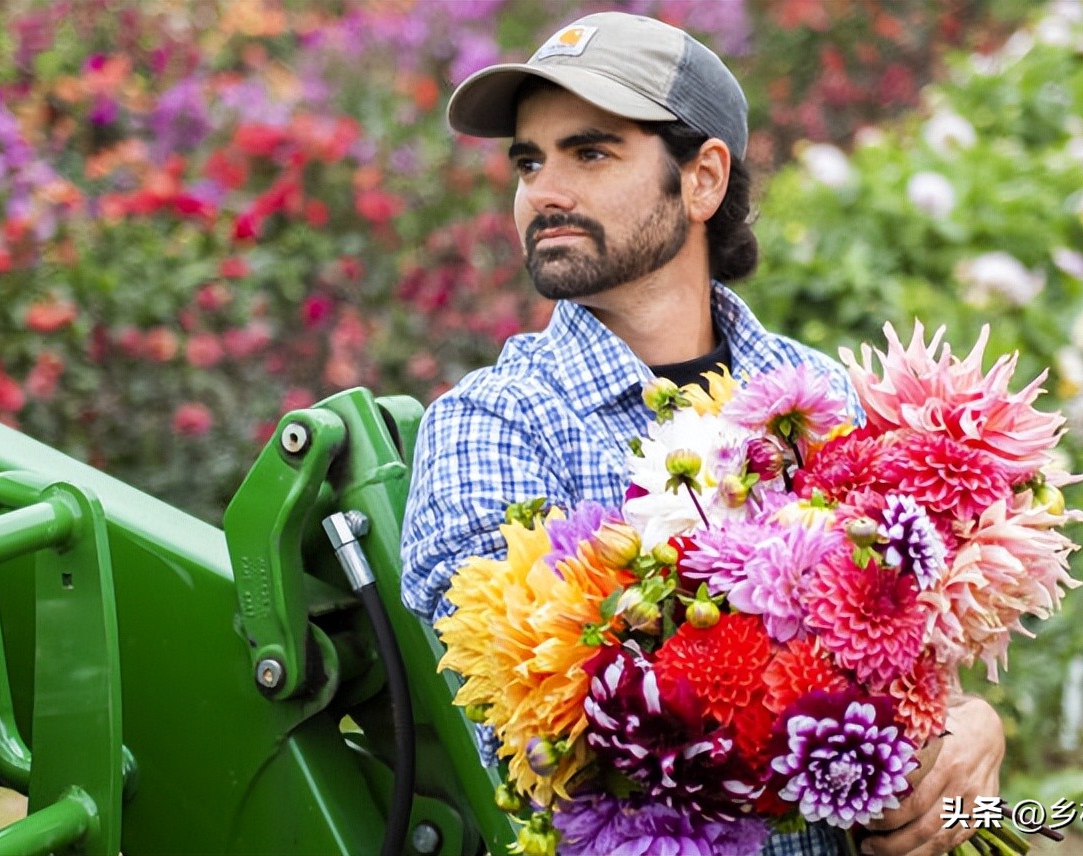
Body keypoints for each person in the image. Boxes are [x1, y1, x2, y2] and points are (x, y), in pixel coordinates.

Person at [401, 12, 1004, 856]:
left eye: (591, 152)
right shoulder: (490, 426)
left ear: (702, 180)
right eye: (529, 161)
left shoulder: (827, 394)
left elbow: (923, 659)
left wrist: (972, 727)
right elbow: (534, 748)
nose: (543, 190)